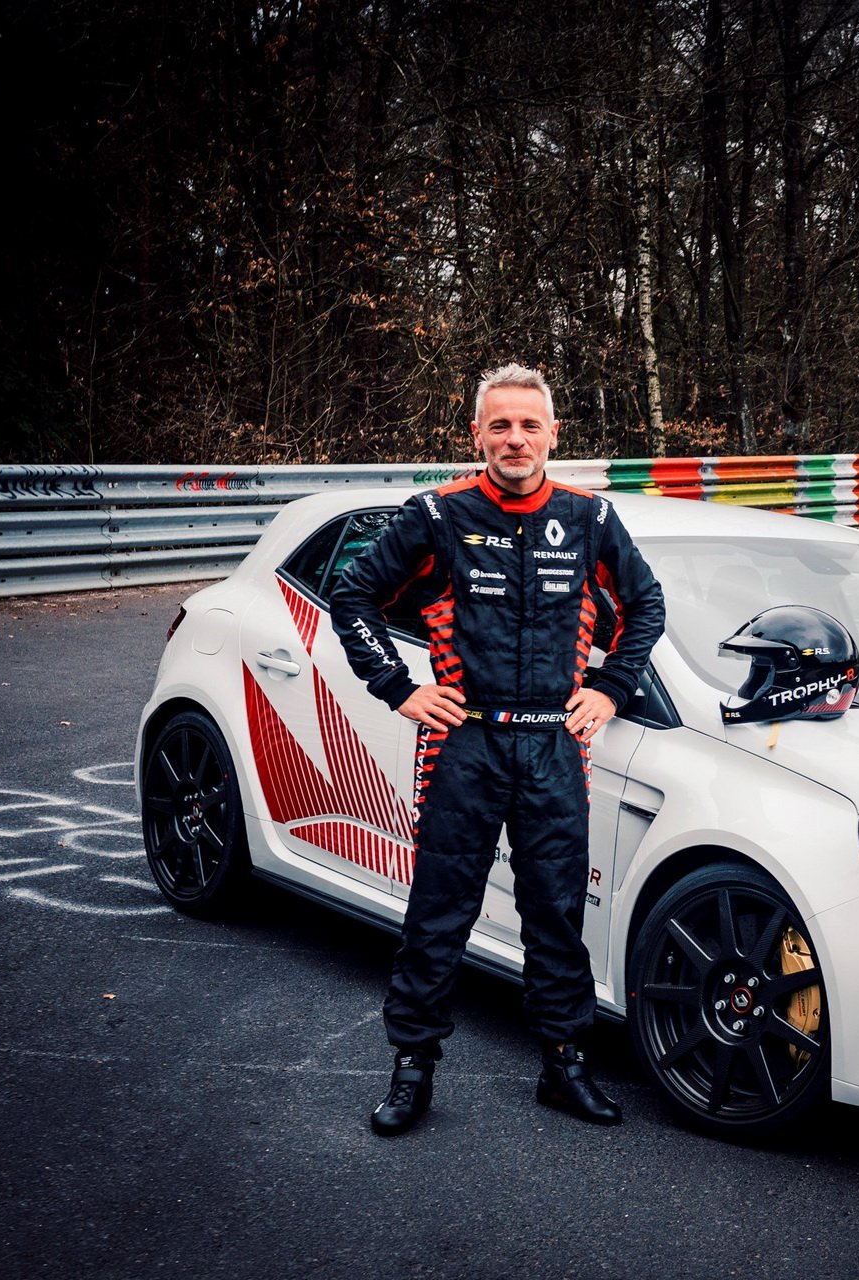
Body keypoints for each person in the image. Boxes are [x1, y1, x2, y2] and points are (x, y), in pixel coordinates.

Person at [330, 362, 666, 1135]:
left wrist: (612, 687)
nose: (515, 439)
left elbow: (646, 606)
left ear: (554, 434)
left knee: (555, 914)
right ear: (476, 433)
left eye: (530, 425)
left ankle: (564, 1065)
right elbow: (353, 595)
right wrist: (397, 687)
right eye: (500, 425)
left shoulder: (590, 518)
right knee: (440, 913)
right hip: (464, 742)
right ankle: (412, 1070)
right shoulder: (438, 513)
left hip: (554, 745)